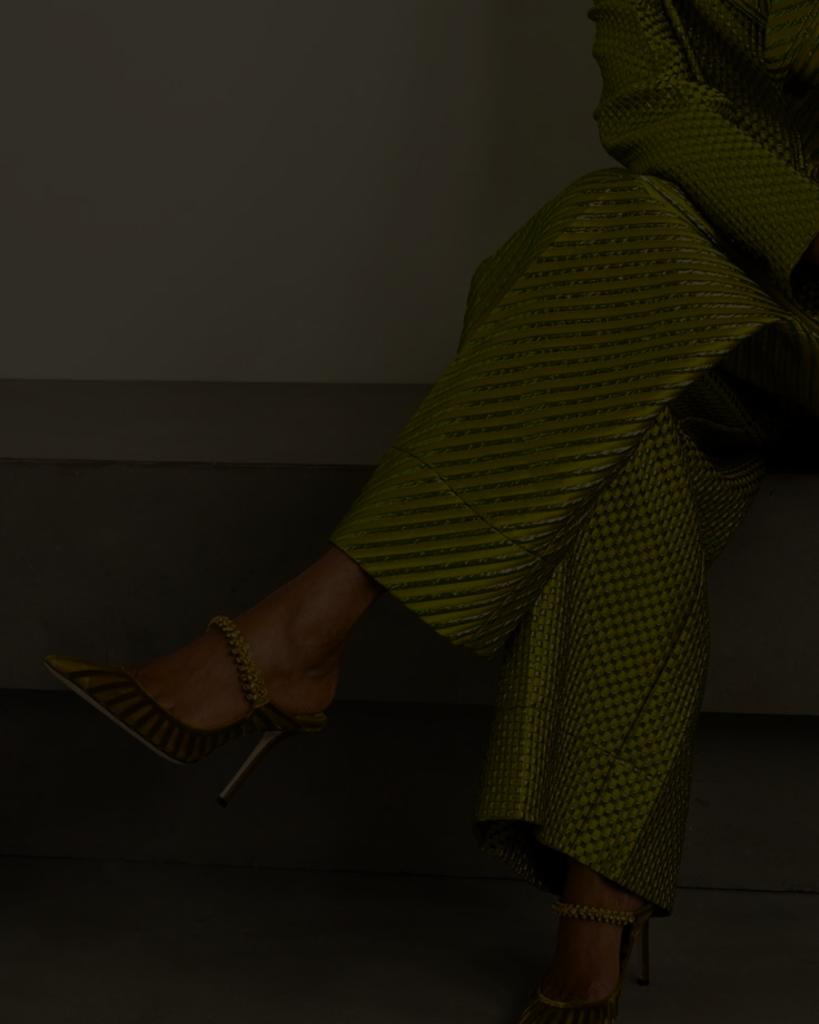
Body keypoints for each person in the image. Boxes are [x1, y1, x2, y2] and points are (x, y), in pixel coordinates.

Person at [43, 2, 819, 1021]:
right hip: (727, 305)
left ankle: (306, 626)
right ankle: (596, 913)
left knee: (610, 255)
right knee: (623, 375)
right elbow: (649, 104)